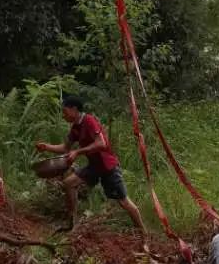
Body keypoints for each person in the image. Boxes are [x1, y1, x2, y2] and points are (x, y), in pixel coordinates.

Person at [34, 95, 146, 235]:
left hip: (108, 167)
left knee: (124, 202)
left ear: (74, 109)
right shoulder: (75, 127)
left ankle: (144, 234)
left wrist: (78, 152)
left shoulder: (89, 121)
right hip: (94, 167)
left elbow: (101, 143)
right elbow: (65, 148)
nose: (64, 115)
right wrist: (47, 147)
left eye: (65, 111)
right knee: (69, 183)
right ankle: (72, 223)